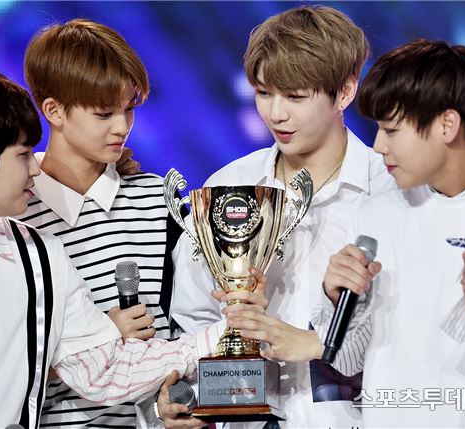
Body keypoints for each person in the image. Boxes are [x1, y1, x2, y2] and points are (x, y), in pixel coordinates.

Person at [15, 18, 268, 428]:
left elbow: (186, 329)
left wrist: (171, 406)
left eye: (129, 109)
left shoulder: (157, 200)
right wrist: (97, 342)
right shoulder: (15, 212)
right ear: (54, 111)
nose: (122, 127)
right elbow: (0, 360)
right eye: (103, 114)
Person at [166, 5, 394, 428]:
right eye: (264, 93)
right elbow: (191, 319)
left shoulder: (389, 190)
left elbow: (416, 330)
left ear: (345, 91)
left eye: (295, 96)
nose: (275, 113)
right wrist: (186, 396)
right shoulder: (228, 186)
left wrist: (319, 340)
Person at [286, 39, 465, 428]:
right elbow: (347, 360)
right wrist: (336, 299)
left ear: (447, 125)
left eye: (392, 130)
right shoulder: (377, 214)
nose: (379, 146)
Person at [0, 69, 231, 429]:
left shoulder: (40, 254)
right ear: (54, 111)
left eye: (128, 109)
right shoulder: (32, 226)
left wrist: (227, 332)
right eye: (23, 155)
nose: (33, 169)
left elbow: (102, 369)